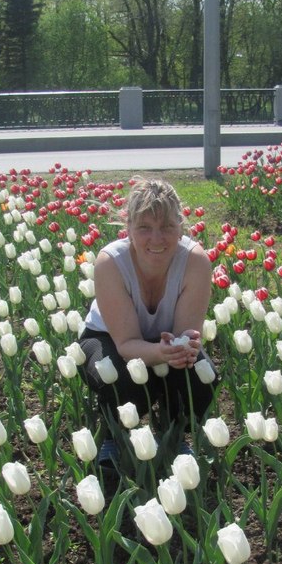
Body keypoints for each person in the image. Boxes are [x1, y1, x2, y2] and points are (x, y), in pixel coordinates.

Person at [78, 177, 217, 464]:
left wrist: (181, 348)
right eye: (144, 227)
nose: (156, 238)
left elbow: (185, 336)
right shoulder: (111, 262)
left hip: (167, 341)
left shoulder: (195, 262)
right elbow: (126, 343)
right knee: (122, 381)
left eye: (167, 226)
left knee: (200, 380)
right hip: (109, 338)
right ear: (128, 227)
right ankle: (113, 433)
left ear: (180, 226)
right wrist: (160, 355)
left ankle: (173, 432)